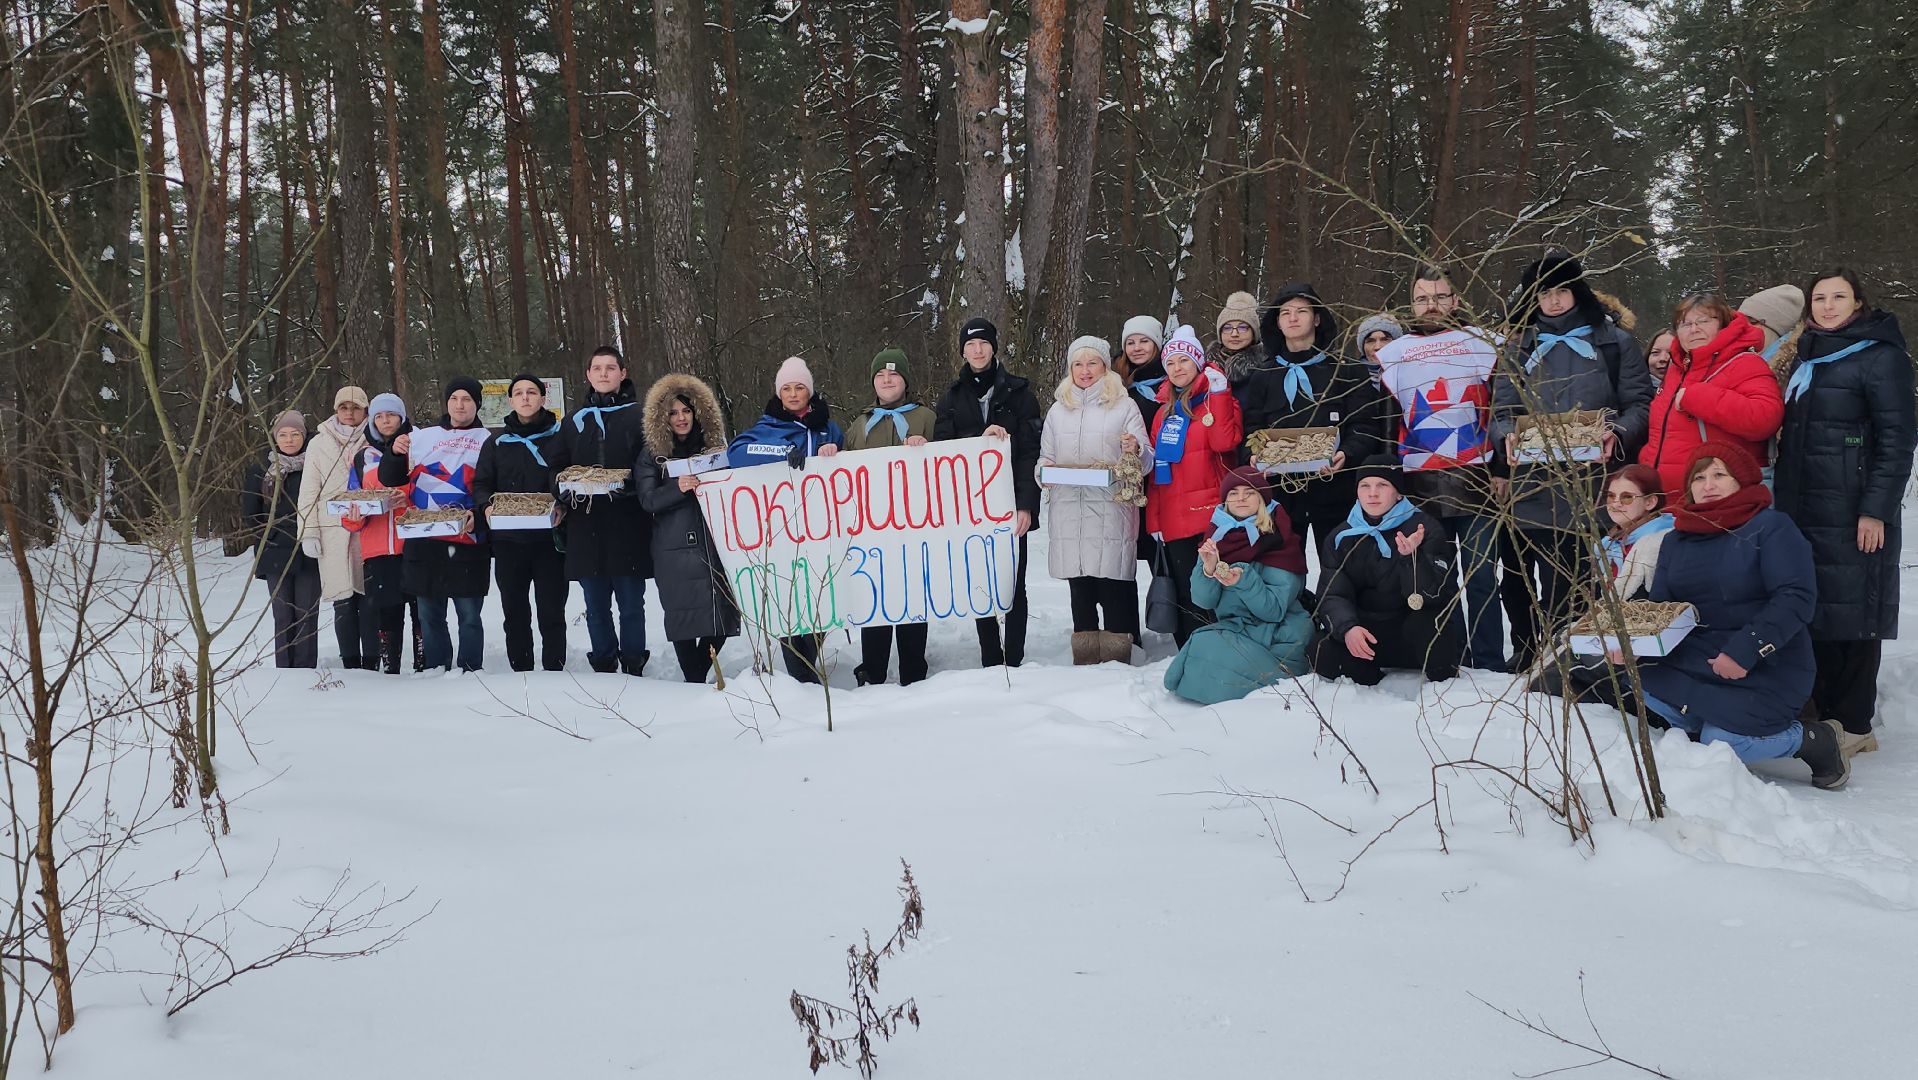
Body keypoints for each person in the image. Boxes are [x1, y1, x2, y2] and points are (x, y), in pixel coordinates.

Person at [1628, 442, 1848, 790]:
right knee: (1641, 683)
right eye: (1698, 477)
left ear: (1741, 480)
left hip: (1766, 663)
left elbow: (1796, 597)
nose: (1707, 484)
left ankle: (1810, 739)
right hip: (1697, 658)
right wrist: (1637, 643)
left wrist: (1746, 650)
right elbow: (1662, 609)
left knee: (1722, 743)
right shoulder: (1676, 539)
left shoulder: (1772, 527)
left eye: (1719, 474)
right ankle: (1711, 734)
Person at [1771, 268, 1915, 756]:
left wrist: (1875, 509)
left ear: (1858, 303)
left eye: (1839, 297)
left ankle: (1854, 723)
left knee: (1854, 612)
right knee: (1817, 608)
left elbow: (1897, 441)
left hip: (1854, 509)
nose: (1828, 306)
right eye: (1819, 297)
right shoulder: (1808, 356)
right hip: (1803, 505)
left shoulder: (1881, 358)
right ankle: (1826, 712)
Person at [1491, 252, 1654, 668]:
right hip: (1530, 480)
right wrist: (1506, 436)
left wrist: (1615, 434)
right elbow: (1501, 410)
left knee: (1573, 576)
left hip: (1591, 480)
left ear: (1577, 291)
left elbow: (1639, 403)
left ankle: (1563, 655)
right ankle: (1526, 650)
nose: (1554, 301)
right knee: (1517, 574)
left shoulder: (1613, 341)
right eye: (1545, 293)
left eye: (1562, 290)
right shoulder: (1517, 344)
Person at [1374, 265, 1505, 671]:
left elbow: (1504, 410)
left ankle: (1487, 662)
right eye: (1422, 298)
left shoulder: (1484, 345)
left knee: (1482, 577)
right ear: (1411, 304)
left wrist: (1501, 467)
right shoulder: (1394, 355)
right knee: (1437, 578)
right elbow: (1385, 421)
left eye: (1440, 297)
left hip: (1478, 481)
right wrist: (1388, 479)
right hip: (1419, 487)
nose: (1431, 305)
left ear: (1456, 300)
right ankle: (1451, 658)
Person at [1245, 281, 1387, 554]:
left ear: (1317, 318)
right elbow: (1251, 428)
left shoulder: (1347, 371)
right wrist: (1253, 455)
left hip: (1336, 491)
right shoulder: (1261, 376)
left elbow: (1366, 426)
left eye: (1301, 311)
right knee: (1282, 576)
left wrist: (1347, 453)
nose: (1293, 318)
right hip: (1280, 495)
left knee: (1339, 574)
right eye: (1285, 313)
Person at [729, 355, 845, 682]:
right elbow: (736, 453)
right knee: (792, 605)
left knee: (822, 604)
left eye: (799, 388)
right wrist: (781, 453)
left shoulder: (828, 427)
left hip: (823, 529)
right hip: (783, 532)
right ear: (779, 393)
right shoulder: (768, 427)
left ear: (810, 391)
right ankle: (801, 679)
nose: (793, 394)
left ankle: (807, 671)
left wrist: (831, 454)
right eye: (787, 388)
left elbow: (845, 458)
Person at [934, 318, 1041, 668]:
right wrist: (979, 440)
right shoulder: (951, 397)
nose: (977, 350)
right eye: (970, 345)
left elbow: (1030, 454)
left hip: (1011, 502)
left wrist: (1026, 505)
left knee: (1014, 582)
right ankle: (990, 659)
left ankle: (1014, 660)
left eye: (983, 343)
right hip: (970, 507)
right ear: (962, 351)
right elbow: (942, 452)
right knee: (979, 581)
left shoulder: (1019, 393)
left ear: (994, 347)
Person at [1039, 335, 1152, 664]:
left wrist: (1135, 449)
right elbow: (1044, 457)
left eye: (1092, 363)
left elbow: (1146, 462)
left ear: (1105, 367)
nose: (1085, 370)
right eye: (1078, 364)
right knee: (1081, 587)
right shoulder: (1059, 410)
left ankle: (1119, 659)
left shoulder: (1124, 405)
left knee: (1113, 581)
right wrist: (1044, 473)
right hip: (1070, 511)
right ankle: (1086, 658)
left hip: (1111, 510)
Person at [1163, 467, 1314, 704]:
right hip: (1236, 629)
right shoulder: (1217, 537)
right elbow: (1203, 601)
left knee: (1205, 663)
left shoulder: (1279, 539)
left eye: (1249, 492)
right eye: (1233, 493)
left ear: (1262, 499)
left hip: (1279, 635)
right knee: (1201, 648)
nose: (1240, 498)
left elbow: (1273, 611)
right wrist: (1209, 569)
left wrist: (1243, 581)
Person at [1309, 456, 1463, 684]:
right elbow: (1333, 593)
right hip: (1369, 632)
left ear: (1398, 493)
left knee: (1431, 625)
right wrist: (1349, 628)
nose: (1372, 493)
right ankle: (1369, 681)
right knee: (1320, 647)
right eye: (1365, 486)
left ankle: (1441, 685)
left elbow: (1436, 594)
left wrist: (1412, 558)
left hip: (1412, 629)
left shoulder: (1424, 527)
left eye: (1382, 485)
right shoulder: (1341, 536)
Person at [1529, 465, 1673, 701]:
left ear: (1650, 502)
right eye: (1611, 496)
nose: (1616, 504)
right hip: (1614, 631)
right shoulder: (1609, 543)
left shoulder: (1661, 541)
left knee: (1561, 676)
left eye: (1627, 497)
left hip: (1645, 641)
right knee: (1556, 659)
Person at [379, 377, 492, 673]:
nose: (460, 404)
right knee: (430, 614)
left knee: (469, 615)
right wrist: (395, 452)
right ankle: (436, 668)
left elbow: (494, 487)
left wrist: (478, 519)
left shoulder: (490, 440)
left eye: (467, 399)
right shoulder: (423, 437)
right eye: (454, 398)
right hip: (425, 540)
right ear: (446, 402)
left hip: (467, 541)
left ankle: (470, 670)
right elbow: (391, 479)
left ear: (477, 404)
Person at [552, 346, 654, 676]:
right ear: (588, 375)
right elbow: (555, 467)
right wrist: (562, 488)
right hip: (586, 525)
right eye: (597, 368)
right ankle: (604, 661)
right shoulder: (572, 421)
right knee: (595, 605)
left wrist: (630, 486)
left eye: (611, 368)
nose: (604, 374)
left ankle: (634, 661)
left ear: (623, 374)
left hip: (628, 523)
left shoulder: (641, 416)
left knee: (630, 603)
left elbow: (652, 464)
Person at [841, 347, 938, 686]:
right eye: (881, 375)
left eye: (894, 375)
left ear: (905, 381)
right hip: (872, 529)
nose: (887, 380)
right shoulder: (860, 425)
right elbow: (844, 472)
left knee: (911, 593)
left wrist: (926, 447)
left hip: (915, 525)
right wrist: (829, 456)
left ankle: (914, 669)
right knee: (876, 595)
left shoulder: (926, 417)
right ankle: (873, 669)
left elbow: (950, 462)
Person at [636, 372, 740, 684]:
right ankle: (692, 679)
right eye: (672, 413)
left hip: (714, 544)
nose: (681, 418)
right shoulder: (651, 456)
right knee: (682, 618)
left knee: (722, 617)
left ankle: (697, 673)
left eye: (686, 411)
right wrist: (678, 488)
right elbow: (647, 500)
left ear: (697, 412)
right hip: (673, 549)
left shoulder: (717, 450)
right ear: (662, 418)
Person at [1144, 325, 1243, 646]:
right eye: (1171, 363)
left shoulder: (1217, 400)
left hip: (1209, 514)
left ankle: (1219, 651)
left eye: (1184, 362)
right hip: (1173, 516)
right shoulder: (1162, 413)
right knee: (1184, 591)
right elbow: (1158, 473)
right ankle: (1188, 649)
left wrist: (1221, 394)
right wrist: (1155, 521)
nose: (1177, 369)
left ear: (1198, 363)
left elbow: (1225, 441)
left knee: (1213, 587)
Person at [1637, 293, 1783, 496]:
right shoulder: (1677, 369)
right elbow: (1661, 436)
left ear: (1723, 324)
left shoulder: (1744, 363)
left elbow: (1765, 418)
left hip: (1718, 500)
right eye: (1685, 324)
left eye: (1703, 321)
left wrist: (1698, 397)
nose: (1694, 329)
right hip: (1668, 500)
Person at [473, 374, 568, 672]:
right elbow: (481, 484)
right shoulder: (497, 441)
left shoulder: (559, 437)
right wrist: (487, 507)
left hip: (549, 542)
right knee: (514, 610)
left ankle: (554, 668)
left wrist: (563, 506)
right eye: (519, 393)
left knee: (551, 609)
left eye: (531, 392)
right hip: (509, 541)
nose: (525, 397)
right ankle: (521, 670)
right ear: (511, 400)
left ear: (542, 398)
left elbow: (568, 478)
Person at [295, 385, 378, 668]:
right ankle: (350, 662)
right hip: (332, 529)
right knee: (342, 598)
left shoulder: (375, 438)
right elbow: (308, 491)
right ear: (335, 410)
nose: (349, 413)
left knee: (368, 596)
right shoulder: (319, 443)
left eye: (355, 408)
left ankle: (371, 661)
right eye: (343, 407)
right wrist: (308, 532)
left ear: (365, 410)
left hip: (370, 525)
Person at [341, 393, 418, 674]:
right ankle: (391, 669)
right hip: (377, 547)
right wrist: (355, 517)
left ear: (402, 418)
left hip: (413, 542)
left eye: (391, 415)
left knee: (420, 610)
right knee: (388, 612)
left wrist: (404, 498)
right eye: (379, 416)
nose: (386, 421)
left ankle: (425, 667)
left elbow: (430, 490)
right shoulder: (363, 457)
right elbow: (351, 499)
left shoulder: (418, 446)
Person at [244, 410, 320, 668]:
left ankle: (305, 669)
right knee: (283, 615)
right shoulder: (260, 469)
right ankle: (284, 671)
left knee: (306, 614)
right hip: (274, 551)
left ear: (304, 435)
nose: (289, 440)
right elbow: (251, 513)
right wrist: (268, 537)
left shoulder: (316, 464)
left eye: (295, 434)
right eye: (283, 435)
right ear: (275, 438)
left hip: (308, 548)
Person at [1739, 283, 1804, 370]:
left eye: (1752, 321)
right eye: (1738, 321)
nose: (1739, 328)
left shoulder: (1797, 377)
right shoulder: (1729, 362)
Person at [1211, 291, 1265, 389]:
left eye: (1242, 327)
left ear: (1254, 333)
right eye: (1227, 328)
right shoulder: (1206, 368)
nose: (1234, 334)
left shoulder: (1266, 368)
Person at [1352, 313, 1404, 385]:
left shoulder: (1410, 376)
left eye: (1385, 340)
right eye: (1371, 341)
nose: (1378, 347)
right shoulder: (1349, 379)